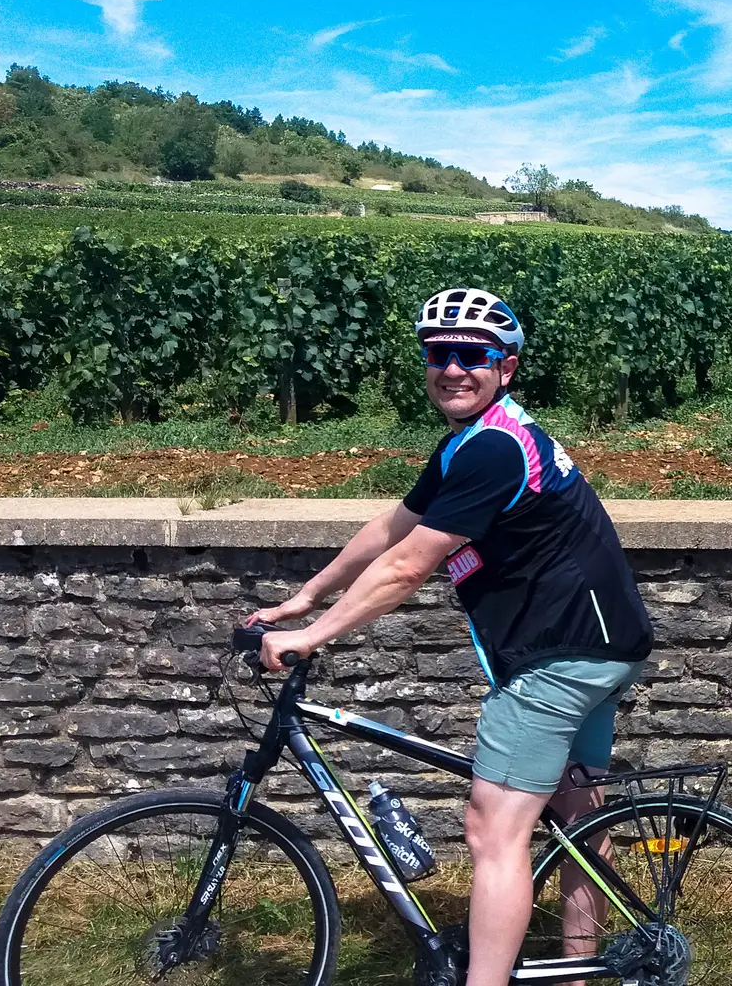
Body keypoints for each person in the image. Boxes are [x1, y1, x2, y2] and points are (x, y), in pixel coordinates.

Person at [250, 287, 653, 986]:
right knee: (576, 812)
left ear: (507, 367)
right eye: (440, 354)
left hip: (557, 657)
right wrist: (305, 597)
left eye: (473, 354)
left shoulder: (492, 448)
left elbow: (408, 566)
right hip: (598, 644)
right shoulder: (472, 442)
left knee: (492, 830)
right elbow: (392, 528)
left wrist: (313, 636)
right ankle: (580, 972)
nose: (454, 367)